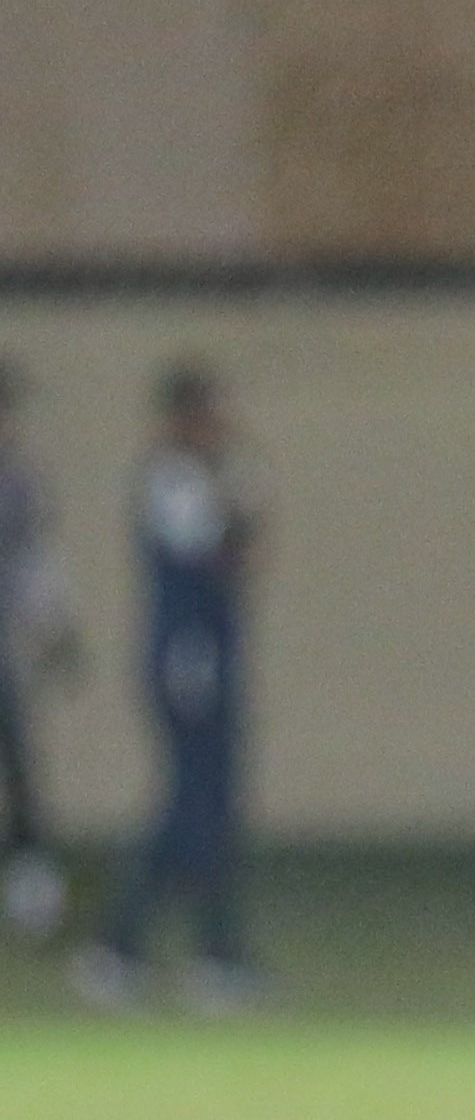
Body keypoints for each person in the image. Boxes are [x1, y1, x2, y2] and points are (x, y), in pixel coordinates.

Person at [74, 362, 256, 1008]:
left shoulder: (205, 476)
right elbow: (218, 553)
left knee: (207, 807)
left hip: (211, 656)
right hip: (188, 659)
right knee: (190, 806)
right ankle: (139, 943)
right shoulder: (171, 479)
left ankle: (201, 945)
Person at [0, 361, 77, 941]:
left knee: (22, 774)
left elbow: (33, 562)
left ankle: (32, 898)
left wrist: (55, 627)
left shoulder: (18, 479)